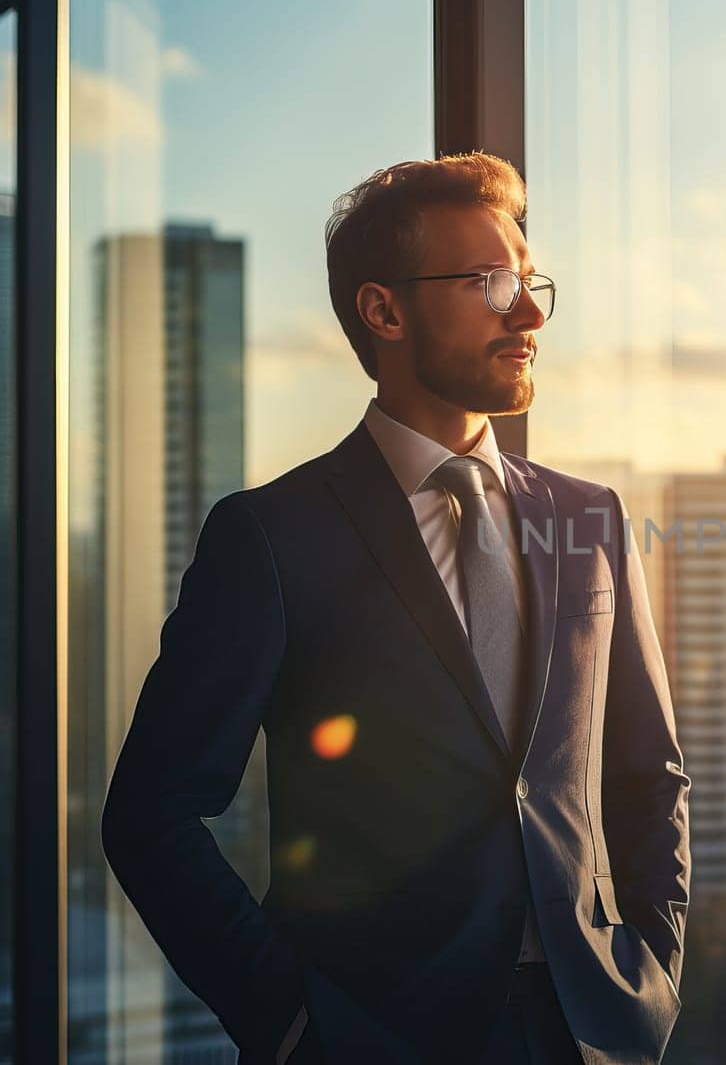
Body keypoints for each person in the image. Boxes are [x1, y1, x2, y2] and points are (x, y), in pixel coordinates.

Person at [101, 154, 691, 1065]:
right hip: (375, 1037)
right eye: (490, 283)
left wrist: (652, 972)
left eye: (530, 281)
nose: (528, 311)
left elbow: (649, 773)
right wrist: (293, 1026)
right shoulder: (270, 536)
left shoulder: (591, 516)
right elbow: (150, 813)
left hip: (591, 1029)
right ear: (384, 310)